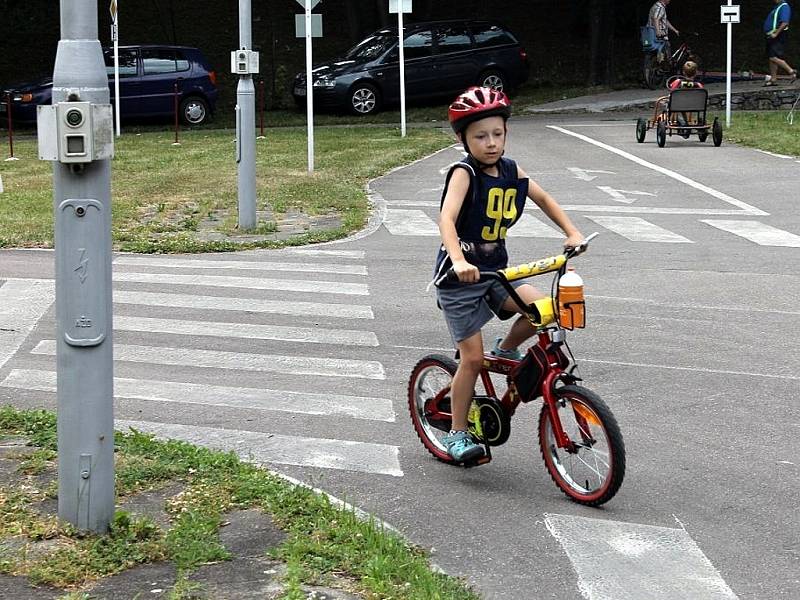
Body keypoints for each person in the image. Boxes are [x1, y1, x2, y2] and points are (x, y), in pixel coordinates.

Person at [432, 87, 582, 462]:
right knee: (472, 360)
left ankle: (508, 347)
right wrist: (459, 260)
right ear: (463, 139)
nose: (491, 143)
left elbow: (544, 199)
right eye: (480, 136)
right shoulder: (464, 173)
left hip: (497, 272)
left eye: (497, 134)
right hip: (460, 280)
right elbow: (447, 219)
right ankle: (457, 432)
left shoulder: (512, 170)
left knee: (543, 308)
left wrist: (572, 232)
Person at [764, 0, 797, 86]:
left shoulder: (784, 6)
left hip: (778, 35)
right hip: (772, 35)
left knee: (773, 57)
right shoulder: (777, 6)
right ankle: (773, 79)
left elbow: (785, 22)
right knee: (771, 57)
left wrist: (776, 34)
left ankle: (791, 71)